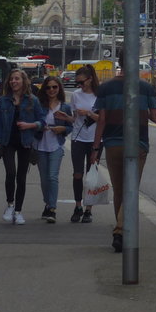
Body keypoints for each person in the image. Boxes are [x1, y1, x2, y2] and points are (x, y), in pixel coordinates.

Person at [90, 73, 156, 252]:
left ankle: (121, 233)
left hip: (113, 144)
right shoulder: (146, 87)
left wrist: (96, 148)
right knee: (131, 190)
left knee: (119, 190)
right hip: (138, 145)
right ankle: (121, 231)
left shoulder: (105, 88)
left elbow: (102, 120)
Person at [0, 68, 42, 224]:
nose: (14, 81)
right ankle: (10, 205)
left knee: (21, 177)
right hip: (8, 142)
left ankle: (18, 211)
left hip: (25, 142)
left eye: (17, 79)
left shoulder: (33, 100)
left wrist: (30, 125)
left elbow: (42, 122)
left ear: (23, 81)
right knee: (10, 173)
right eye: (12, 79)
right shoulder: (3, 101)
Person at [33, 76, 73, 223]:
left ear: (59, 88)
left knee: (52, 177)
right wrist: (39, 126)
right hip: (40, 145)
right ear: (45, 89)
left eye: (54, 87)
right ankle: (48, 203)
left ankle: (52, 208)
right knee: (44, 180)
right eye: (48, 87)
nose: (51, 90)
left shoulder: (64, 106)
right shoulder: (39, 104)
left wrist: (63, 128)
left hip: (56, 145)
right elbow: (33, 122)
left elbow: (70, 126)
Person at [67, 64, 101, 223]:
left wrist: (88, 113)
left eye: (82, 82)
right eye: (77, 83)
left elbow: (104, 120)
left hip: (95, 139)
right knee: (77, 173)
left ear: (90, 79)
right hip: (78, 138)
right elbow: (74, 118)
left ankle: (89, 209)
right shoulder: (76, 95)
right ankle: (78, 205)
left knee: (91, 176)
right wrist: (66, 118)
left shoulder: (100, 96)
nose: (79, 85)